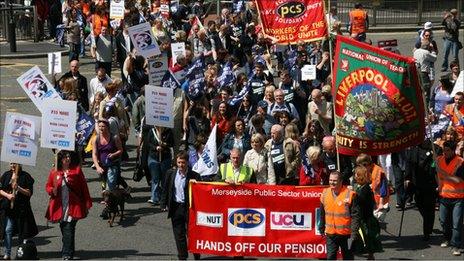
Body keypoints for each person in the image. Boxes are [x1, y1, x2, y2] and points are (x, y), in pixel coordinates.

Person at [45, 150, 92, 260]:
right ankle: (69, 248)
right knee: (64, 227)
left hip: (74, 206)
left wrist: (87, 202)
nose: (68, 159)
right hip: (60, 206)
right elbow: (48, 186)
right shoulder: (54, 172)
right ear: (61, 160)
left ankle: (67, 253)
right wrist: (52, 190)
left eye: (69, 157)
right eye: (66, 157)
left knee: (68, 228)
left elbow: (84, 187)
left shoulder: (77, 171)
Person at [161, 151, 200, 260]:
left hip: (189, 208)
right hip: (176, 207)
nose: (181, 165)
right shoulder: (170, 173)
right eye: (178, 162)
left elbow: (202, 191)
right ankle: (182, 257)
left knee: (192, 234)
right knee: (179, 235)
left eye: (183, 162)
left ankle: (196, 255)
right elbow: (166, 189)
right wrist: (163, 203)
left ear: (187, 163)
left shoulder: (194, 176)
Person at [318, 171, 360, 260]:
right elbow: (322, 213)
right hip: (331, 234)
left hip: (347, 235)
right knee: (330, 257)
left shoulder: (350, 194)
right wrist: (321, 226)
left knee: (348, 257)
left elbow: (355, 216)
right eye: (330, 180)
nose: (332, 182)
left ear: (341, 181)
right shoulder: (325, 194)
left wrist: (354, 234)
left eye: (334, 180)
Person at [0, 163, 38, 260]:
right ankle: (7, 253)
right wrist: (8, 196)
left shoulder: (26, 176)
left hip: (22, 209)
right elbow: (0, 189)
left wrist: (18, 188)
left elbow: (29, 193)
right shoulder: (6, 175)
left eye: (14, 163)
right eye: (11, 163)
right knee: (8, 230)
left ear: (19, 164)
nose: (12, 165)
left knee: (22, 232)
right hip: (9, 209)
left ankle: (21, 253)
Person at [404, 140, 437, 241]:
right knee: (419, 204)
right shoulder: (413, 150)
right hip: (417, 182)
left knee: (429, 207)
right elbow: (409, 164)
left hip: (430, 183)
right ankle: (428, 221)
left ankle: (427, 231)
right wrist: (407, 178)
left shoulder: (434, 149)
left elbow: (438, 163)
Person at [436, 140, 464, 256]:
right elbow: (435, 174)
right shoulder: (439, 160)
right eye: (444, 150)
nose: (445, 153)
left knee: (456, 223)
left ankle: (456, 245)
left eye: (447, 151)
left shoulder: (460, 162)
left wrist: (443, 173)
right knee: (443, 221)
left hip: (458, 197)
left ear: (453, 151)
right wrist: (438, 184)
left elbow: (459, 180)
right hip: (443, 196)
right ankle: (446, 238)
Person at [352, 166, 382, 259]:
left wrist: (353, 195)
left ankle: (370, 254)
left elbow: (361, 200)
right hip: (359, 216)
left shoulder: (366, 189)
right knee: (360, 238)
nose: (355, 176)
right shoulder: (357, 186)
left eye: (357, 174)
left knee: (367, 237)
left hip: (365, 218)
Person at [91, 119, 123, 191]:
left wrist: (114, 154)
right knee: (104, 182)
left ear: (107, 127)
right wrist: (97, 167)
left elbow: (121, 150)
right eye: (99, 126)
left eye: (103, 126)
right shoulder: (95, 139)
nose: (101, 128)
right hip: (102, 165)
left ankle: (108, 200)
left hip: (112, 164)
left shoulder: (115, 137)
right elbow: (94, 154)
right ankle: (110, 197)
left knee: (110, 183)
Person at [356, 154, 390, 221]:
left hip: (379, 202)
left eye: (360, 166)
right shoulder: (368, 170)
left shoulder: (379, 171)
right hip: (371, 201)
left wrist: (381, 203)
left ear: (366, 164)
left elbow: (383, 190)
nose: (360, 168)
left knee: (376, 221)